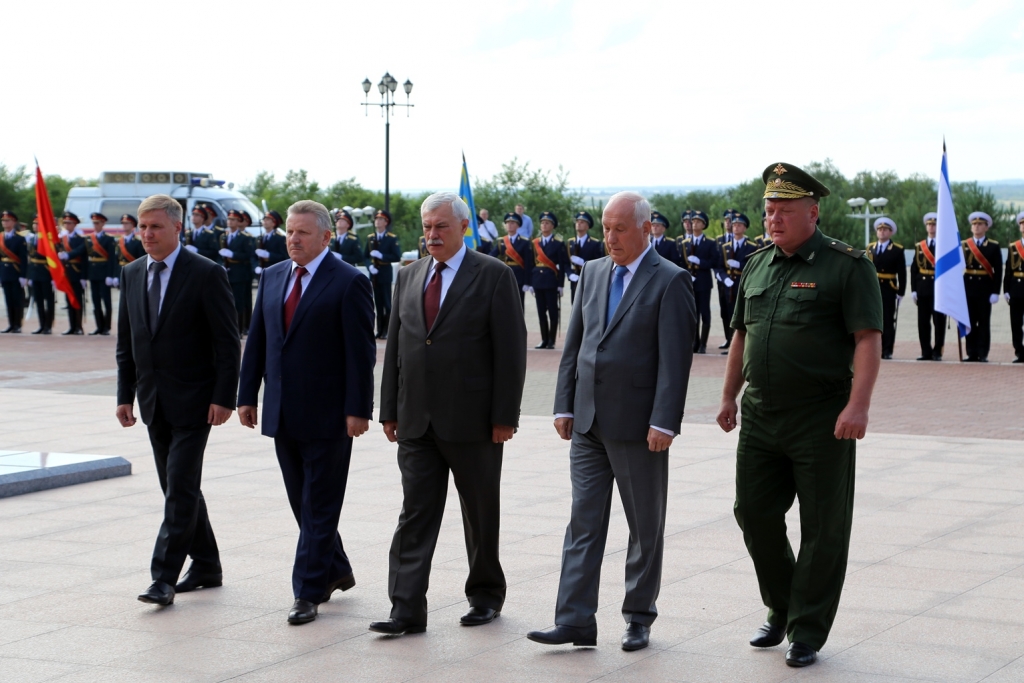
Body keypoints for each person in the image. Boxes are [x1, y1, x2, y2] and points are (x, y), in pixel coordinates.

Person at [717, 163, 882, 668]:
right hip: (762, 414)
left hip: (821, 418)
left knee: (823, 526)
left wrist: (858, 406)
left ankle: (806, 629)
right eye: (768, 210)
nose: (772, 219)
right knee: (754, 514)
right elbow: (741, 335)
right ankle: (785, 606)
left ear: (812, 213)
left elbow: (868, 339)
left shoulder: (846, 265)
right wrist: (729, 397)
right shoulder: (757, 264)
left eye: (784, 211)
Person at [527, 191, 696, 652]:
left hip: (640, 426)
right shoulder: (595, 272)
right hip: (587, 423)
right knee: (583, 521)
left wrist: (665, 421)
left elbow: (674, 361)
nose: (610, 237)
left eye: (620, 229)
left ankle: (639, 616)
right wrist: (564, 404)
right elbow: (576, 346)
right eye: (606, 228)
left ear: (646, 229)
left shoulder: (671, 280)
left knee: (644, 526)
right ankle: (574, 619)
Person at [372, 191, 527, 636]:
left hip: (474, 420)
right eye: (426, 227)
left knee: (479, 513)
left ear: (463, 227)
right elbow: (397, 347)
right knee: (415, 512)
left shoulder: (494, 276)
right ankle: (405, 609)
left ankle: (484, 595)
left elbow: (510, 352)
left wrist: (504, 416)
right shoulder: (408, 275)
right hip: (416, 418)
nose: (431, 235)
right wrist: (389, 409)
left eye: (441, 226)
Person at [238, 200, 375, 624]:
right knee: (303, 503)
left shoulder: (349, 281)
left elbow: (360, 354)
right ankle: (336, 568)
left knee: (319, 505)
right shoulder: (274, 275)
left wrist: (358, 409)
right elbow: (258, 340)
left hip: (329, 415)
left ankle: (308, 591)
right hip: (282, 411)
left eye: (301, 233)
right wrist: (247, 395)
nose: (292, 240)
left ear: (325, 237)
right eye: (289, 233)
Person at [115, 194, 240, 607]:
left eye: (155, 227)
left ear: (177, 229)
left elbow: (227, 343)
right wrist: (124, 395)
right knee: (177, 487)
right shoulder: (132, 273)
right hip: (153, 402)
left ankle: (163, 578)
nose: (146, 234)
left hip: (196, 401)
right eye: (142, 227)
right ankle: (206, 564)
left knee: (180, 487)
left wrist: (224, 397)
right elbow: (128, 344)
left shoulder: (205, 273)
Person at [715, 213, 759, 353]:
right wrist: (724, 278)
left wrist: (739, 265)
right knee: (726, 313)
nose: (735, 227)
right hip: (727, 286)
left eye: (739, 225)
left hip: (741, 283)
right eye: (734, 225)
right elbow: (719, 266)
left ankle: (738, 344)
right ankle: (729, 340)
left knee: (739, 314)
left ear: (745, 228)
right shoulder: (725, 246)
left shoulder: (751, 246)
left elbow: (753, 266)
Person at [962, 211, 1002, 362]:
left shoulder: (993, 246)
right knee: (969, 321)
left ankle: (983, 352)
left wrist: (995, 291)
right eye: (974, 224)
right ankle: (971, 352)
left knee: (984, 322)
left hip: (985, 288)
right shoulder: (964, 245)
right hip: (968, 288)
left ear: (986, 227)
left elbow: (998, 270)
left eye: (980, 224)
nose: (976, 227)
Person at [677, 210, 718, 353]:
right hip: (690, 282)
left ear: (703, 225)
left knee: (704, 313)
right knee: (692, 313)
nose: (694, 224)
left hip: (703, 282)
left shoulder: (710, 243)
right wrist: (687, 274)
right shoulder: (685, 243)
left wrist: (700, 262)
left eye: (698, 222)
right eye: (693, 222)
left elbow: (714, 261)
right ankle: (695, 341)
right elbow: (681, 262)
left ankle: (703, 344)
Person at [867, 217, 906, 360]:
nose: (882, 232)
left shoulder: (897, 250)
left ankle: (887, 349)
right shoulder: (870, 248)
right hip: (873, 288)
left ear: (890, 233)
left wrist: (901, 292)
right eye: (879, 229)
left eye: (885, 230)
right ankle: (874, 349)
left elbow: (902, 272)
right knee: (872, 320)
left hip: (889, 288)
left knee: (888, 320)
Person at [531, 211, 570, 349]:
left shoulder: (558, 244)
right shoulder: (535, 243)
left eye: (547, 223)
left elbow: (562, 263)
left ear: (552, 226)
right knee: (541, 312)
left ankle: (552, 340)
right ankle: (544, 339)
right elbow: (531, 263)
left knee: (553, 312)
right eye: (542, 223)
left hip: (551, 281)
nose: (544, 225)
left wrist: (561, 285)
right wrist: (530, 283)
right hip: (537, 281)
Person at [910, 212, 945, 361]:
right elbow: (914, 269)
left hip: (939, 288)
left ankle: (937, 351)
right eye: (929, 224)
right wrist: (913, 290)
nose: (932, 227)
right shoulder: (920, 246)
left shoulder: (945, 245)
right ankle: (925, 351)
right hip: (923, 288)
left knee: (939, 322)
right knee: (923, 323)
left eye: (934, 224)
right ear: (926, 227)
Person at [365, 210, 402, 339]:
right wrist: (369, 266)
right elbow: (365, 256)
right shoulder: (371, 238)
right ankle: (379, 330)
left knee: (387, 303)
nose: (377, 221)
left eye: (381, 219)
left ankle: (388, 330)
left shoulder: (391, 238)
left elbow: (397, 256)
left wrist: (382, 256)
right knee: (378, 304)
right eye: (376, 219)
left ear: (386, 223)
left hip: (385, 274)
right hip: (374, 275)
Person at [219, 210, 255, 337]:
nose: (230, 221)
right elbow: (219, 254)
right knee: (226, 301)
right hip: (227, 273)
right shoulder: (224, 236)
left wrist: (233, 254)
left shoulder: (244, 238)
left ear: (238, 222)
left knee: (238, 302)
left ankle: (239, 329)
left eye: (233, 219)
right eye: (229, 219)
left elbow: (249, 254)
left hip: (239, 273)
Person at [490, 213, 534, 309]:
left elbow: (528, 263)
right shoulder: (501, 241)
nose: (509, 225)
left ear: (518, 225)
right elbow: (491, 257)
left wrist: (527, 282)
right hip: (503, 276)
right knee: (503, 304)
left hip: (519, 278)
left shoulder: (525, 242)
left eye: (513, 223)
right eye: (508, 223)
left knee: (518, 305)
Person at [85, 212, 117, 335]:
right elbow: (83, 253)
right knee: (95, 301)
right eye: (94, 223)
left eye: (97, 223)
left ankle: (107, 327)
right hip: (93, 274)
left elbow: (112, 259)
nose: (95, 225)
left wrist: (110, 275)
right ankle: (99, 326)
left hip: (104, 273)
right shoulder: (89, 238)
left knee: (106, 301)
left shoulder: (108, 239)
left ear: (103, 224)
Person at [58, 211, 87, 335]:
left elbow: (83, 255)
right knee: (68, 300)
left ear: (75, 224)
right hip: (66, 273)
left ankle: (79, 327)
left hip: (77, 272)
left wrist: (84, 277)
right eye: (65, 223)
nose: (67, 225)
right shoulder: (61, 239)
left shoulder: (80, 239)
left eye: (69, 223)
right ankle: (71, 326)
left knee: (78, 301)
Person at [567, 211, 603, 303]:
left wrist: (583, 262)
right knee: (574, 307)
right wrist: (570, 274)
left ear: (587, 226)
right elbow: (565, 262)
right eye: (577, 221)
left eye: (582, 222)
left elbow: (599, 263)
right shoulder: (570, 242)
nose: (578, 223)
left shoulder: (595, 243)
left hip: (588, 280)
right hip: (574, 281)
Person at [1, 210, 28, 333]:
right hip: (5, 273)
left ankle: (17, 324)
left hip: (16, 272)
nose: (5, 223)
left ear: (13, 222)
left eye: (8, 220)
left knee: (17, 300)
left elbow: (23, 258)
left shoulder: (20, 239)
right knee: (8, 300)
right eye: (3, 221)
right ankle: (11, 324)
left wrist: (23, 275)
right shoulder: (1, 237)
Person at [26, 220, 55, 335]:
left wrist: (54, 277)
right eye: (34, 224)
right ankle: (41, 324)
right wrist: (28, 276)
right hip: (35, 273)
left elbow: (53, 258)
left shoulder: (48, 239)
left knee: (49, 300)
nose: (35, 226)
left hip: (46, 272)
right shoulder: (32, 239)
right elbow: (30, 259)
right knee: (38, 301)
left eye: (37, 224)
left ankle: (48, 325)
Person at [1006, 212, 1024, 363]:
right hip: (1017, 289)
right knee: (1016, 323)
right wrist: (1006, 290)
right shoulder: (1013, 247)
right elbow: (1008, 271)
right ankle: (1019, 352)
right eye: (1022, 224)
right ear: (1020, 227)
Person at [254, 210, 288, 277]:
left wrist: (269, 255)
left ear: (274, 222)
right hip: (261, 272)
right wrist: (255, 267)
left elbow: (284, 257)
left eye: (268, 219)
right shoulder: (259, 238)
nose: (265, 221)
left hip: (275, 272)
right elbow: (253, 256)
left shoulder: (280, 238)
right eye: (264, 219)